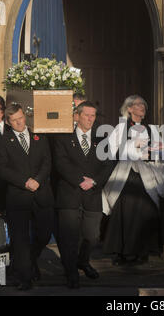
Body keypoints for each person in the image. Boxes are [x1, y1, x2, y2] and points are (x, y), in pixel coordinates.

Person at [53, 101, 115, 289]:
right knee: (70, 237)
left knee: (92, 235)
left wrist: (94, 181)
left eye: (93, 115)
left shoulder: (101, 139)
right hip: (69, 194)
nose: (90, 119)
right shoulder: (64, 138)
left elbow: (108, 164)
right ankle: (72, 273)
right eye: (87, 115)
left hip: (93, 194)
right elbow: (61, 163)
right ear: (76, 116)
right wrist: (80, 180)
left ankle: (82, 260)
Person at [102, 95, 164, 266]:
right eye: (138, 104)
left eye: (143, 104)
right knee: (125, 213)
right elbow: (112, 149)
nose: (142, 107)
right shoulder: (120, 128)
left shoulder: (152, 130)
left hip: (147, 176)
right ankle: (123, 252)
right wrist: (135, 147)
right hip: (126, 177)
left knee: (146, 212)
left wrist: (152, 153)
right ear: (129, 109)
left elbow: (161, 152)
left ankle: (142, 251)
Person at [0, 103, 54, 290]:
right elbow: (1, 168)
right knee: (20, 239)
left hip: (42, 193)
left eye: (21, 118)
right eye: (14, 120)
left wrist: (37, 180)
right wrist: (24, 181)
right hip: (18, 196)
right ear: (8, 122)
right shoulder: (4, 140)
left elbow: (47, 162)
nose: (19, 122)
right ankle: (25, 277)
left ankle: (28, 261)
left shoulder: (39, 136)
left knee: (44, 235)